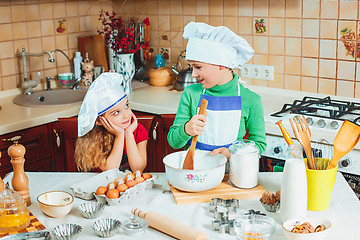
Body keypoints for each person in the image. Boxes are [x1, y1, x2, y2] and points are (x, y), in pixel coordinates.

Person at [167, 22, 266, 159]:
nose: (194, 74)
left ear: (221, 65)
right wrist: (186, 129)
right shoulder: (191, 94)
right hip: (195, 171)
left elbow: (259, 144)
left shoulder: (251, 100)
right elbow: (173, 142)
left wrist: (232, 154)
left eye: (198, 67)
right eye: (191, 67)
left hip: (231, 173)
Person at [75, 72, 148, 172]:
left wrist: (129, 133)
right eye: (116, 112)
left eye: (126, 106)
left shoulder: (139, 131)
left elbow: (138, 169)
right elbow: (110, 170)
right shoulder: (96, 137)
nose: (126, 115)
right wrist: (119, 135)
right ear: (100, 120)